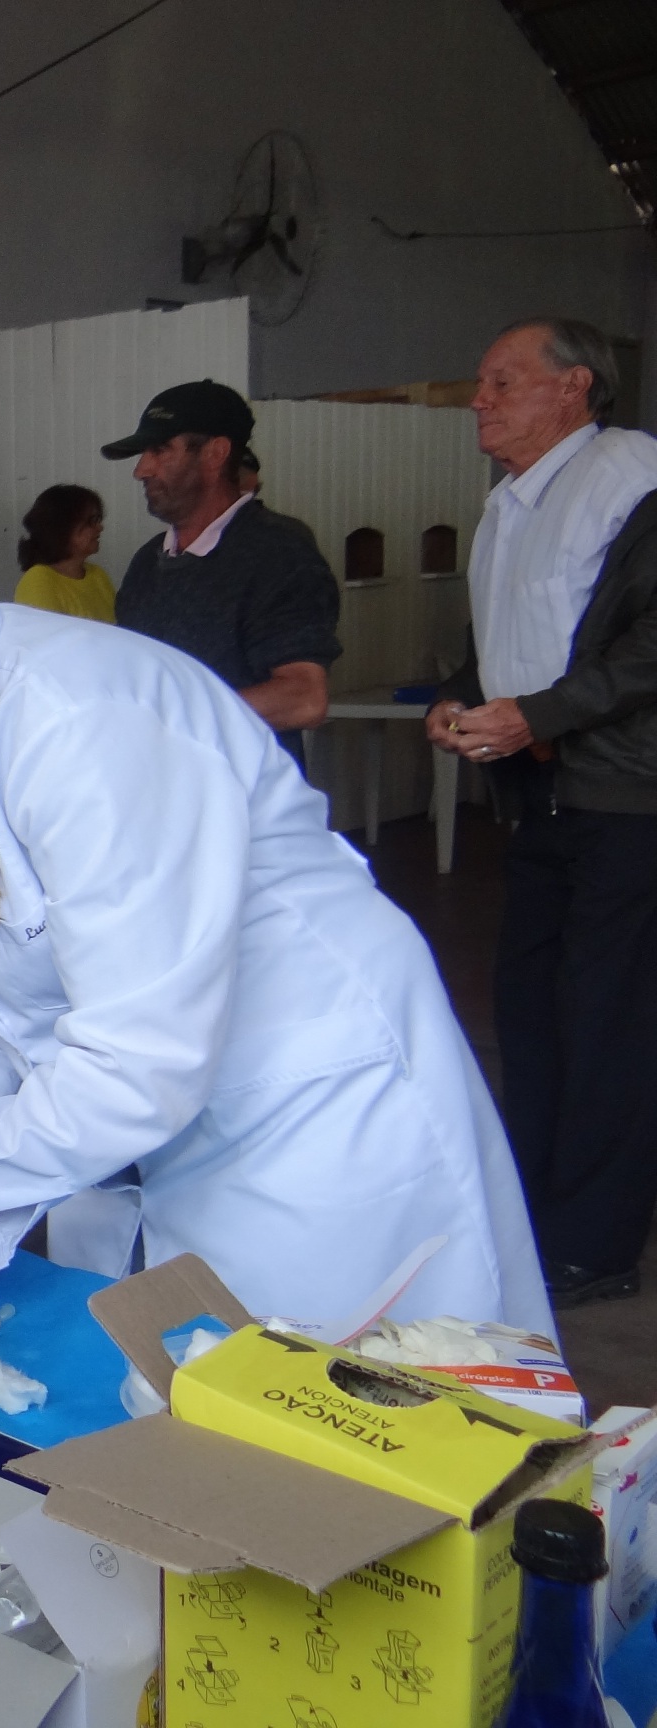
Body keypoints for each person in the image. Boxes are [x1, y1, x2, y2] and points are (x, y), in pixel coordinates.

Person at [0, 479, 550, 1334]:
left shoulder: (82, 722)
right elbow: (0, 954)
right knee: (168, 1408)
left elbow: (141, 1066)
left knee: (351, 1423)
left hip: (305, 1109)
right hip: (154, 1113)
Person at [428, 317, 657, 1306]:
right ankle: (535, 1210)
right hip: (542, 797)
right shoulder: (511, 502)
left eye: (502, 380)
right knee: (530, 1010)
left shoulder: (635, 480)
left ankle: (594, 1245)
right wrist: (462, 695)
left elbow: (645, 650)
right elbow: (521, 632)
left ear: (573, 389)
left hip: (623, 798)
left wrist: (541, 714)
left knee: (608, 1019)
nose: (480, 398)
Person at [105, 380, 341, 754]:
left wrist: (169, 716)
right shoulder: (148, 562)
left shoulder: (278, 554)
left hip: (242, 806)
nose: (141, 469)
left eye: (160, 449)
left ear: (216, 453)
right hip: (159, 796)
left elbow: (303, 698)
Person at [12, 485, 115, 622]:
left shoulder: (98, 575)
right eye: (92, 521)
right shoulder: (38, 581)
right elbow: (46, 638)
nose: (100, 527)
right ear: (62, 526)